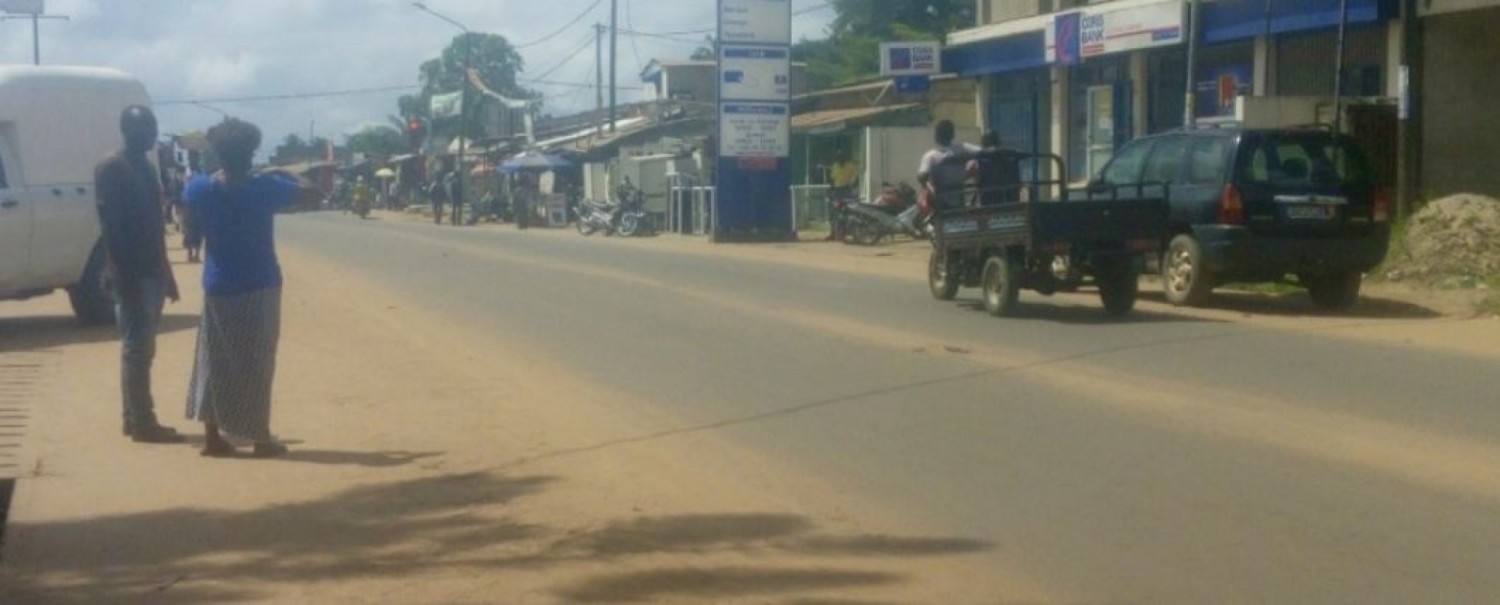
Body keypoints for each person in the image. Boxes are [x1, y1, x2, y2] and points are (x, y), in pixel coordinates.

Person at [184, 118, 320, 458]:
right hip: (259, 283)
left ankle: (213, 437)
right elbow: (314, 192)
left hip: (218, 284)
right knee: (258, 361)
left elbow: (190, 197)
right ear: (249, 154)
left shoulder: (201, 188)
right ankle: (260, 437)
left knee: (213, 361)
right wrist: (284, 171)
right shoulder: (263, 188)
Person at [93, 106, 184, 444]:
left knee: (141, 350)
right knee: (137, 350)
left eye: (153, 126)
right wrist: (123, 276)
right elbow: (110, 227)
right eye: (144, 127)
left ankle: (133, 418)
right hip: (131, 274)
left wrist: (167, 272)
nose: (151, 133)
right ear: (126, 130)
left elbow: (155, 227)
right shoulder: (111, 168)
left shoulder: (146, 167)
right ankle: (143, 422)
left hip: (152, 271)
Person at [917, 120, 981, 212]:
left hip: (941, 202)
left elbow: (922, 176)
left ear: (936, 136)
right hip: (959, 197)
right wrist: (964, 159)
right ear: (953, 135)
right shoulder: (962, 148)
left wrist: (928, 188)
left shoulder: (930, 156)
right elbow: (983, 153)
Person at [826, 153, 860, 241]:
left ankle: (843, 233)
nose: (840, 159)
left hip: (845, 190)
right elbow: (832, 179)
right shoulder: (837, 165)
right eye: (838, 157)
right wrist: (831, 191)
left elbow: (855, 179)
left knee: (845, 212)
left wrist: (852, 187)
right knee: (834, 213)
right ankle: (834, 233)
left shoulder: (849, 166)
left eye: (841, 157)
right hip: (838, 190)